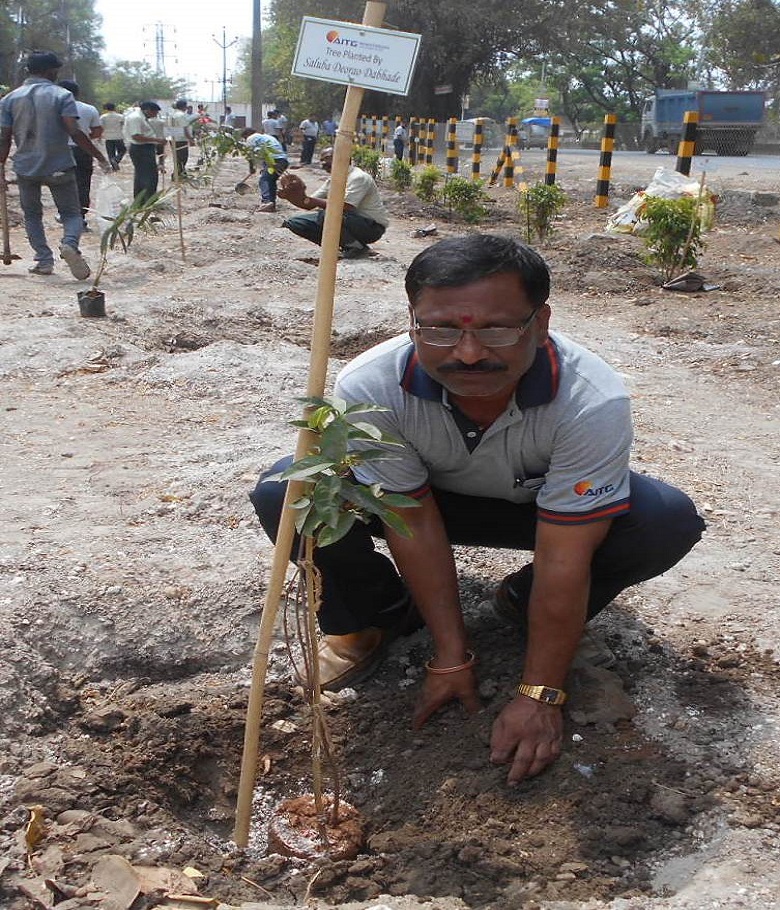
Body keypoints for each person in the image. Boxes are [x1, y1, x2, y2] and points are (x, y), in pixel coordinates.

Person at [250, 233, 706, 783]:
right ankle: (375, 616)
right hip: (425, 501)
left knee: (663, 520)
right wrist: (450, 656)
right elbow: (412, 519)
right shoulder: (371, 386)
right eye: (441, 329)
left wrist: (540, 695)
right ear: (412, 322)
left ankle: (522, 603)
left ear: (540, 323)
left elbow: (565, 552)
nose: (467, 353)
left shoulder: (590, 399)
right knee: (291, 492)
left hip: (535, 510)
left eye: (496, 329)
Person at [0, 51, 112, 278]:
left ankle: (44, 261)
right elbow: (74, 131)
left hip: (25, 167)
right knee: (71, 213)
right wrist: (99, 157)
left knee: (32, 215)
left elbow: (4, 137)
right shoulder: (62, 95)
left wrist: (1, 167)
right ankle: (69, 244)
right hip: (59, 164)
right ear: (51, 71)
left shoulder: (9, 99)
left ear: (28, 71)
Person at [277, 146, 389, 258]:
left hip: (371, 227)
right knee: (296, 223)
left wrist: (308, 199)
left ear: (343, 158)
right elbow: (308, 203)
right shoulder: (333, 179)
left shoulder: (358, 177)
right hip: (349, 221)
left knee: (327, 214)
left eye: (327, 158)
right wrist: (293, 195)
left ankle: (355, 247)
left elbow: (346, 206)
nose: (323, 163)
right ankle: (349, 246)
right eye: (321, 160)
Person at [58, 80, 102, 229]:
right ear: (77, 93)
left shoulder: (53, 108)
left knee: (61, 183)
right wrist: (86, 138)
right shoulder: (89, 109)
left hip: (59, 149)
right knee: (83, 183)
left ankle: (65, 214)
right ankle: (80, 216)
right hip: (83, 149)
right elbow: (97, 131)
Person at [123, 101, 166, 201]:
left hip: (145, 148)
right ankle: (148, 200)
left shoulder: (141, 118)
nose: (155, 115)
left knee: (142, 175)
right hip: (141, 149)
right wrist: (157, 140)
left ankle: (142, 200)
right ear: (148, 110)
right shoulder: (136, 118)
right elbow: (136, 136)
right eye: (155, 113)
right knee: (149, 176)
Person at [241, 127, 288, 213]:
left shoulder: (251, 138)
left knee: (264, 180)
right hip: (283, 161)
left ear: (247, 134)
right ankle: (271, 204)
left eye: (244, 138)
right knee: (271, 181)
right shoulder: (267, 137)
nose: (245, 140)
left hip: (274, 161)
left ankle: (266, 202)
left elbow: (250, 154)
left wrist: (251, 168)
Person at [166, 99, 195, 181]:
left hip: (172, 138)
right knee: (183, 158)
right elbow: (185, 129)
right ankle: (178, 174)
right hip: (181, 139)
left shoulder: (172, 114)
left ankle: (180, 173)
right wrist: (191, 139)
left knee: (177, 158)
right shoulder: (181, 115)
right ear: (184, 107)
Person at [100, 102, 126, 168]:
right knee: (122, 150)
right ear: (114, 108)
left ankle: (114, 167)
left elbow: (101, 127)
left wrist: (100, 136)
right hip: (118, 136)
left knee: (110, 153)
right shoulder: (120, 116)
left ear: (106, 108)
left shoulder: (103, 117)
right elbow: (123, 125)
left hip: (108, 137)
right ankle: (116, 160)